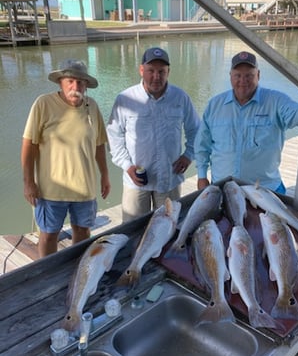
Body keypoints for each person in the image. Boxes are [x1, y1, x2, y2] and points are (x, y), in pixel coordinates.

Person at [21, 59, 111, 257]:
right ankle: (47, 275)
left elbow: (99, 145)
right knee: (49, 235)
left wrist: (105, 175)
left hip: (85, 190)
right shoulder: (43, 104)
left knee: (83, 232)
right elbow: (29, 145)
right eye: (70, 80)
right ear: (61, 82)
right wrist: (29, 182)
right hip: (50, 191)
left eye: (80, 82)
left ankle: (76, 271)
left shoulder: (93, 106)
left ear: (86, 84)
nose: (75, 86)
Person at [107, 46, 200, 221]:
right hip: (135, 181)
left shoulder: (181, 98)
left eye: (161, 71)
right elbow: (114, 136)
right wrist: (127, 165)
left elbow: (196, 130)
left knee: (169, 227)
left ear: (168, 72)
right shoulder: (125, 99)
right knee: (132, 230)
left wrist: (188, 155)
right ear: (141, 70)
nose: (156, 76)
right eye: (151, 70)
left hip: (169, 179)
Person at [194, 51, 298, 194]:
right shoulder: (214, 105)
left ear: (258, 75)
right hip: (224, 189)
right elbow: (202, 145)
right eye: (238, 75)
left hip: (265, 190)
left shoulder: (276, 101)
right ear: (230, 76)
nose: (243, 80)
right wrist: (202, 176)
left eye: (249, 75)